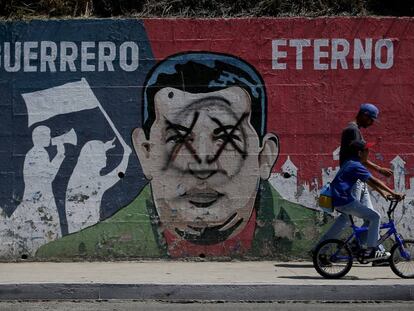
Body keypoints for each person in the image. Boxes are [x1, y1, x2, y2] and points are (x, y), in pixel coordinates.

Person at [36, 52, 323, 259]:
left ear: (264, 157)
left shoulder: (331, 235)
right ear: (145, 152)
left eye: (225, 138)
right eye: (178, 139)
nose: (201, 164)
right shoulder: (76, 250)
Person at [325, 140, 403, 261]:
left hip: (340, 199)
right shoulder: (356, 165)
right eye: (367, 150)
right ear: (360, 153)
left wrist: (384, 193)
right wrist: (394, 193)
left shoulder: (350, 162)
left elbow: (368, 181)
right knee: (375, 217)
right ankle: (372, 250)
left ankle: (357, 246)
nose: (369, 152)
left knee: (369, 219)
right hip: (345, 200)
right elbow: (375, 180)